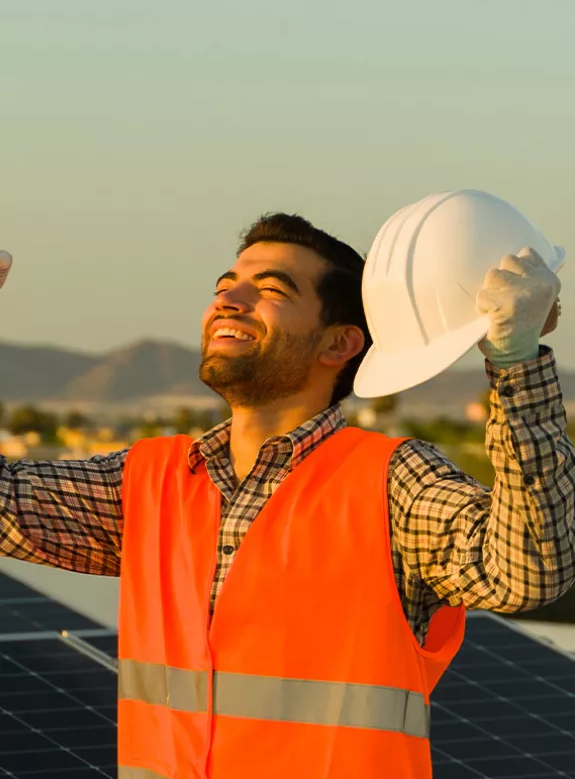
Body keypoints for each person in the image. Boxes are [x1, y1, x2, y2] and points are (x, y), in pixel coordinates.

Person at [1, 212, 574, 779]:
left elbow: (528, 574)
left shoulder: (394, 483)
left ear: (339, 343)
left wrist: (517, 366)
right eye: (225, 287)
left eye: (270, 289)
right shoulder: (150, 480)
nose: (230, 299)